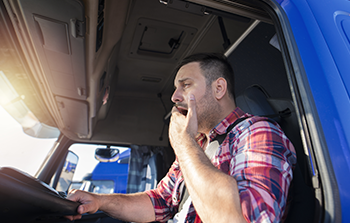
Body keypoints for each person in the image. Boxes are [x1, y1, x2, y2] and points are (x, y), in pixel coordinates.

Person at [66, 53, 296, 223]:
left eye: (186, 85)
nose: (175, 97)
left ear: (219, 89)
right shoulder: (197, 145)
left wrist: (183, 144)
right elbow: (160, 201)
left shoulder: (257, 133)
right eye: (176, 88)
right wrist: (99, 201)